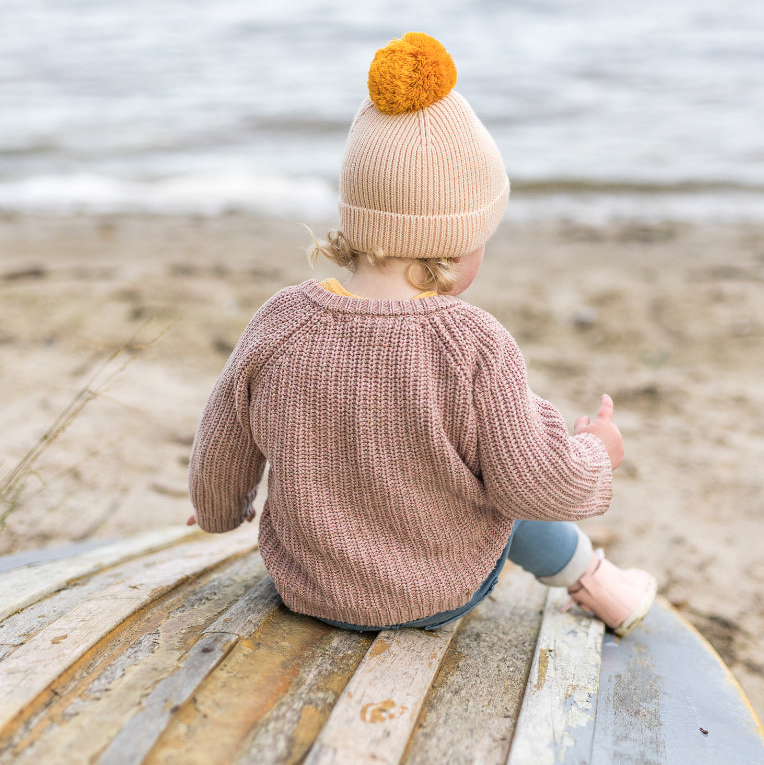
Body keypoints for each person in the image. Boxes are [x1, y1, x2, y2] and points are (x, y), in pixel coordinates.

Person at [187, 32, 656, 637]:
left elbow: (223, 441)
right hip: (435, 593)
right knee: (506, 479)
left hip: (307, 587)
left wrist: (218, 512)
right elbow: (536, 485)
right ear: (455, 247)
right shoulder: (472, 343)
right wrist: (597, 455)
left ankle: (597, 580)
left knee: (477, 459)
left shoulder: (281, 322)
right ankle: (598, 583)